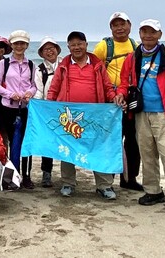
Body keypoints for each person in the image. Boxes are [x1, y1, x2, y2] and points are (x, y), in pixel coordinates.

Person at [114, 19, 165, 219]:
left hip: (164, 113)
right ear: (139, 33)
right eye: (144, 32)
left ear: (159, 34)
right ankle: (153, 191)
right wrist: (120, 94)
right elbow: (124, 82)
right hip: (140, 113)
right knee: (147, 153)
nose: (148, 35)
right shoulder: (132, 58)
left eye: (152, 32)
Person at [47, 31, 117, 200]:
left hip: (95, 115)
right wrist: (48, 106)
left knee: (98, 149)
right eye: (73, 45)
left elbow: (107, 87)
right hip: (69, 116)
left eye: (80, 44)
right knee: (68, 149)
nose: (77, 47)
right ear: (68, 47)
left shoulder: (97, 64)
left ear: (86, 44)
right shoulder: (63, 65)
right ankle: (68, 183)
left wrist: (114, 98)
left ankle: (104, 185)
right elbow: (54, 88)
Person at [93, 12, 142, 191]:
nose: (120, 28)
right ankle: (107, 182)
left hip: (131, 100)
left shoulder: (136, 46)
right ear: (111, 28)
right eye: (115, 25)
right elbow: (94, 72)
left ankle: (129, 179)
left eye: (123, 24)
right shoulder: (103, 46)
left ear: (130, 25)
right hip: (110, 101)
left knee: (132, 140)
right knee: (110, 140)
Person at [0, 30, 37, 189]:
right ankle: (12, 176)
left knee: (27, 142)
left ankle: (27, 176)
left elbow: (34, 85)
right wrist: (11, 94)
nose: (19, 46)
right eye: (16, 43)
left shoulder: (31, 64)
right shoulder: (3, 64)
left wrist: (29, 93)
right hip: (8, 108)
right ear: (11, 45)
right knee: (12, 141)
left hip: (25, 108)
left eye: (22, 43)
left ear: (27, 45)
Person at [32, 36, 63, 188]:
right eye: (46, 49)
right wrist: (36, 105)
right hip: (47, 110)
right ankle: (46, 173)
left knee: (67, 141)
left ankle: (68, 176)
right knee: (48, 143)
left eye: (52, 48)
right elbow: (38, 90)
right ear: (41, 53)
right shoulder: (39, 70)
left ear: (57, 49)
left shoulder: (66, 65)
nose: (49, 51)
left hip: (65, 109)